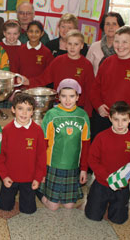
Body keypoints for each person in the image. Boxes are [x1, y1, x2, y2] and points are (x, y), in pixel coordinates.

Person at [85, 101, 130, 224]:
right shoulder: (101, 137)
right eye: (116, 119)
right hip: (102, 182)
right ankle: (98, 203)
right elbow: (92, 159)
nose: (120, 124)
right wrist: (106, 176)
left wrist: (126, 178)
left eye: (124, 120)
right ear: (110, 118)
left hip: (122, 185)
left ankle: (114, 207)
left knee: (119, 220)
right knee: (92, 216)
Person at [90, 26, 130, 140]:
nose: (120, 46)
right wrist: (98, 105)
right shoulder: (107, 62)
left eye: (125, 42)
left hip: (125, 122)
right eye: (117, 41)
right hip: (104, 117)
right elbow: (95, 87)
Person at [38, 79, 90, 211]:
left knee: (69, 206)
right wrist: (41, 169)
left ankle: (55, 195)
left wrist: (84, 168)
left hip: (73, 166)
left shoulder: (83, 116)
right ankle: (39, 192)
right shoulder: (51, 115)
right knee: (53, 207)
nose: (68, 100)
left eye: (72, 96)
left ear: (77, 96)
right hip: (53, 165)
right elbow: (42, 145)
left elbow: (86, 145)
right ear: (58, 96)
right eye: (64, 96)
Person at [0, 93, 46, 214]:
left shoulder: (38, 131)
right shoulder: (6, 130)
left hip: (29, 178)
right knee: (4, 206)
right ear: (13, 110)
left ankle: (38, 193)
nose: (24, 113)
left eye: (28, 109)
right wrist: (4, 176)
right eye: (20, 109)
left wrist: (38, 177)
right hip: (10, 177)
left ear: (33, 112)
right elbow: (0, 156)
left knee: (28, 210)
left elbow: (41, 157)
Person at [24, 30, 95, 116]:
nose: (72, 47)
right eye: (69, 44)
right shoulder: (58, 61)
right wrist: (28, 81)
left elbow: (90, 90)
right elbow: (44, 78)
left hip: (78, 107)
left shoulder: (87, 65)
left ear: (82, 46)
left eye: (76, 44)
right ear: (65, 45)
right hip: (58, 105)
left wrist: (87, 113)